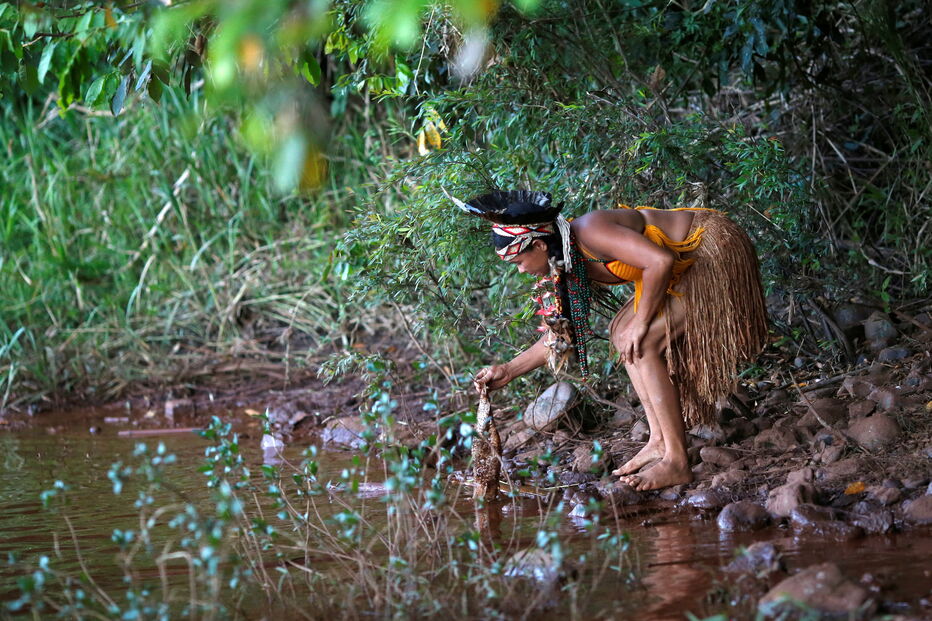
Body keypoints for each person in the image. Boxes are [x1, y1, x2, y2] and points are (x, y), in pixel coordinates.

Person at [457, 190, 768, 491]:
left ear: (538, 245)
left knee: (642, 341)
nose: (521, 270)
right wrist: (508, 370)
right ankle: (660, 440)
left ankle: (676, 461)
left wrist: (643, 322)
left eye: (519, 262)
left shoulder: (590, 231)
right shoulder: (562, 264)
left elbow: (659, 261)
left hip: (710, 251)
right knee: (622, 333)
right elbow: (559, 337)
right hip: (683, 263)